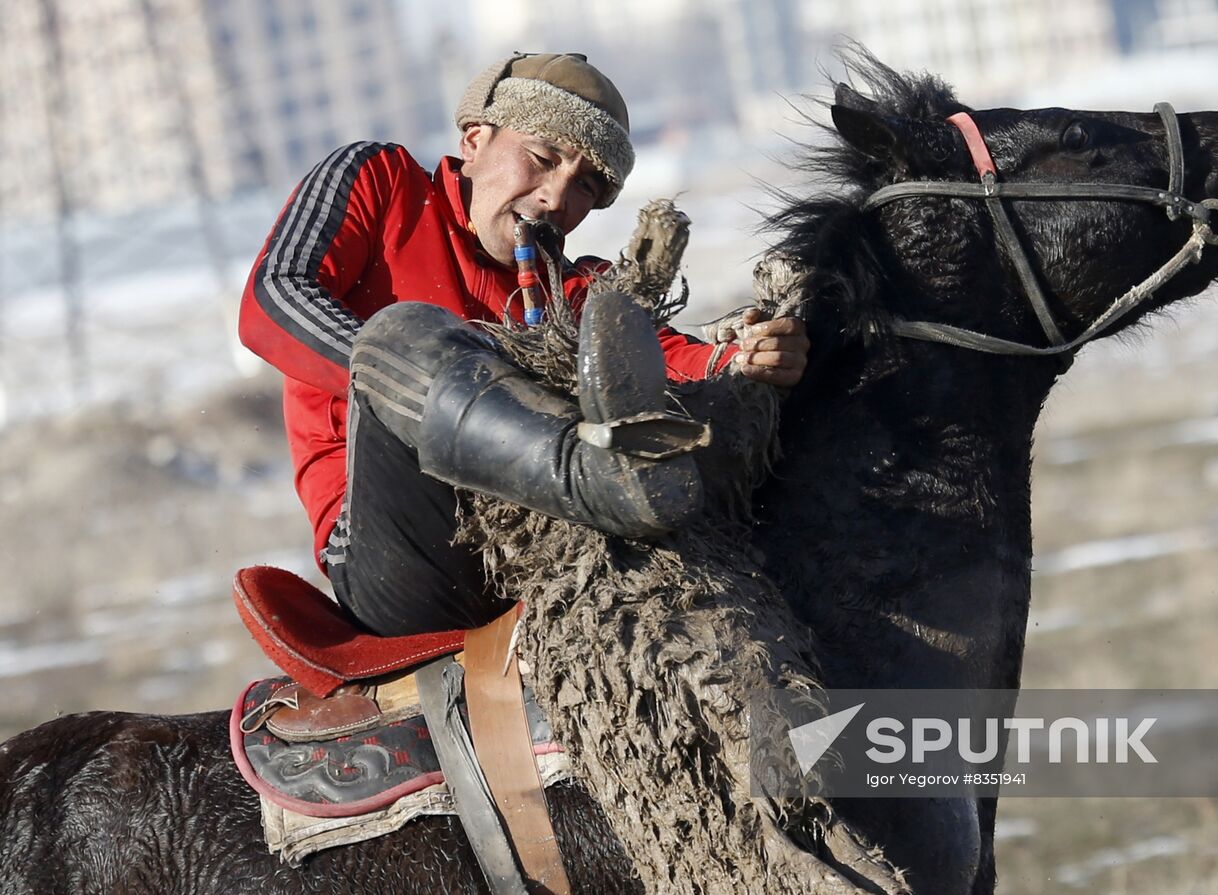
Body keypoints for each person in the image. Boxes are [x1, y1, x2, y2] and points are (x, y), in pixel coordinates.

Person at [239, 52, 809, 637]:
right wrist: (430, 365)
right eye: (542, 159)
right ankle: (584, 477)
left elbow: (682, 361)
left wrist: (750, 356)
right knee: (399, 335)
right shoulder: (383, 183)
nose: (556, 199)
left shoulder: (578, 290)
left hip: (539, 554)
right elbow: (270, 300)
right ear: (475, 139)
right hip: (397, 554)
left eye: (585, 186)